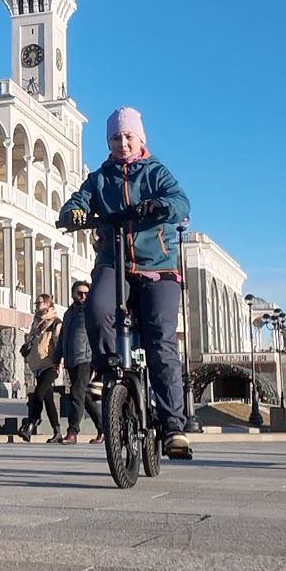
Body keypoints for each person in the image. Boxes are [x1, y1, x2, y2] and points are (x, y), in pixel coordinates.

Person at [59, 107, 195, 460]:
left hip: (157, 268)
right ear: (108, 141)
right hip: (113, 263)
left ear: (140, 139)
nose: (122, 143)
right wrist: (73, 212)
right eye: (115, 137)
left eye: (128, 136)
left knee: (160, 341)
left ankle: (174, 426)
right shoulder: (99, 178)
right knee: (98, 307)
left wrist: (159, 206)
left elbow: (181, 202)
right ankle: (109, 370)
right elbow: (77, 201)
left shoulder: (155, 172)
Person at [58, 280, 101, 443]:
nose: (83, 296)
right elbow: (63, 337)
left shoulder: (91, 311)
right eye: (79, 293)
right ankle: (103, 429)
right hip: (71, 360)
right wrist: (57, 358)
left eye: (86, 293)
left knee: (76, 394)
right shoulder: (68, 314)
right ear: (73, 294)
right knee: (84, 396)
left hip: (86, 359)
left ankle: (73, 431)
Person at [18, 293, 64, 443]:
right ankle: (57, 431)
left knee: (38, 394)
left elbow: (58, 344)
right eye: (36, 304)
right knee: (48, 400)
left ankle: (31, 423)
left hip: (50, 365)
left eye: (39, 303)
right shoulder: (36, 322)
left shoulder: (55, 323)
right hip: (38, 365)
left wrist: (59, 362)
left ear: (48, 305)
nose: (37, 306)